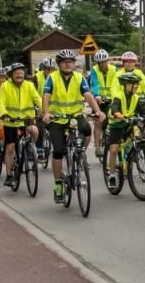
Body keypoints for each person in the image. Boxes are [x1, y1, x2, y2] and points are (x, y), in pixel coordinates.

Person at [40, 49, 100, 201]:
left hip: (75, 116)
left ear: (74, 64)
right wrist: (46, 113)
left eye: (70, 62)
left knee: (87, 130)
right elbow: (46, 96)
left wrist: (98, 111)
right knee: (58, 151)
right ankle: (58, 184)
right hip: (57, 119)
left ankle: (80, 155)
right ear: (59, 64)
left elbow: (88, 95)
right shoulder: (52, 78)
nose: (68, 64)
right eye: (64, 62)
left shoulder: (80, 78)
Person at [102, 70, 145, 189]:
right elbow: (114, 107)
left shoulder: (135, 98)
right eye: (133, 85)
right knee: (114, 149)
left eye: (136, 85)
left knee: (138, 134)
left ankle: (134, 150)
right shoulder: (118, 97)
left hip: (127, 123)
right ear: (126, 86)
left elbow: (142, 109)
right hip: (116, 125)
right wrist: (116, 113)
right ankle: (112, 176)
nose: (135, 87)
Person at [0, 63, 40, 188]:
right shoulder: (5, 86)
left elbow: (37, 99)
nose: (19, 75)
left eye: (21, 73)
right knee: (10, 148)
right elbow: (1, 102)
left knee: (35, 131)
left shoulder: (29, 85)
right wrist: (4, 113)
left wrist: (46, 110)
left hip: (26, 119)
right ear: (11, 75)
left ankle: (30, 149)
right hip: (10, 121)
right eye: (16, 73)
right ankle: (9, 175)